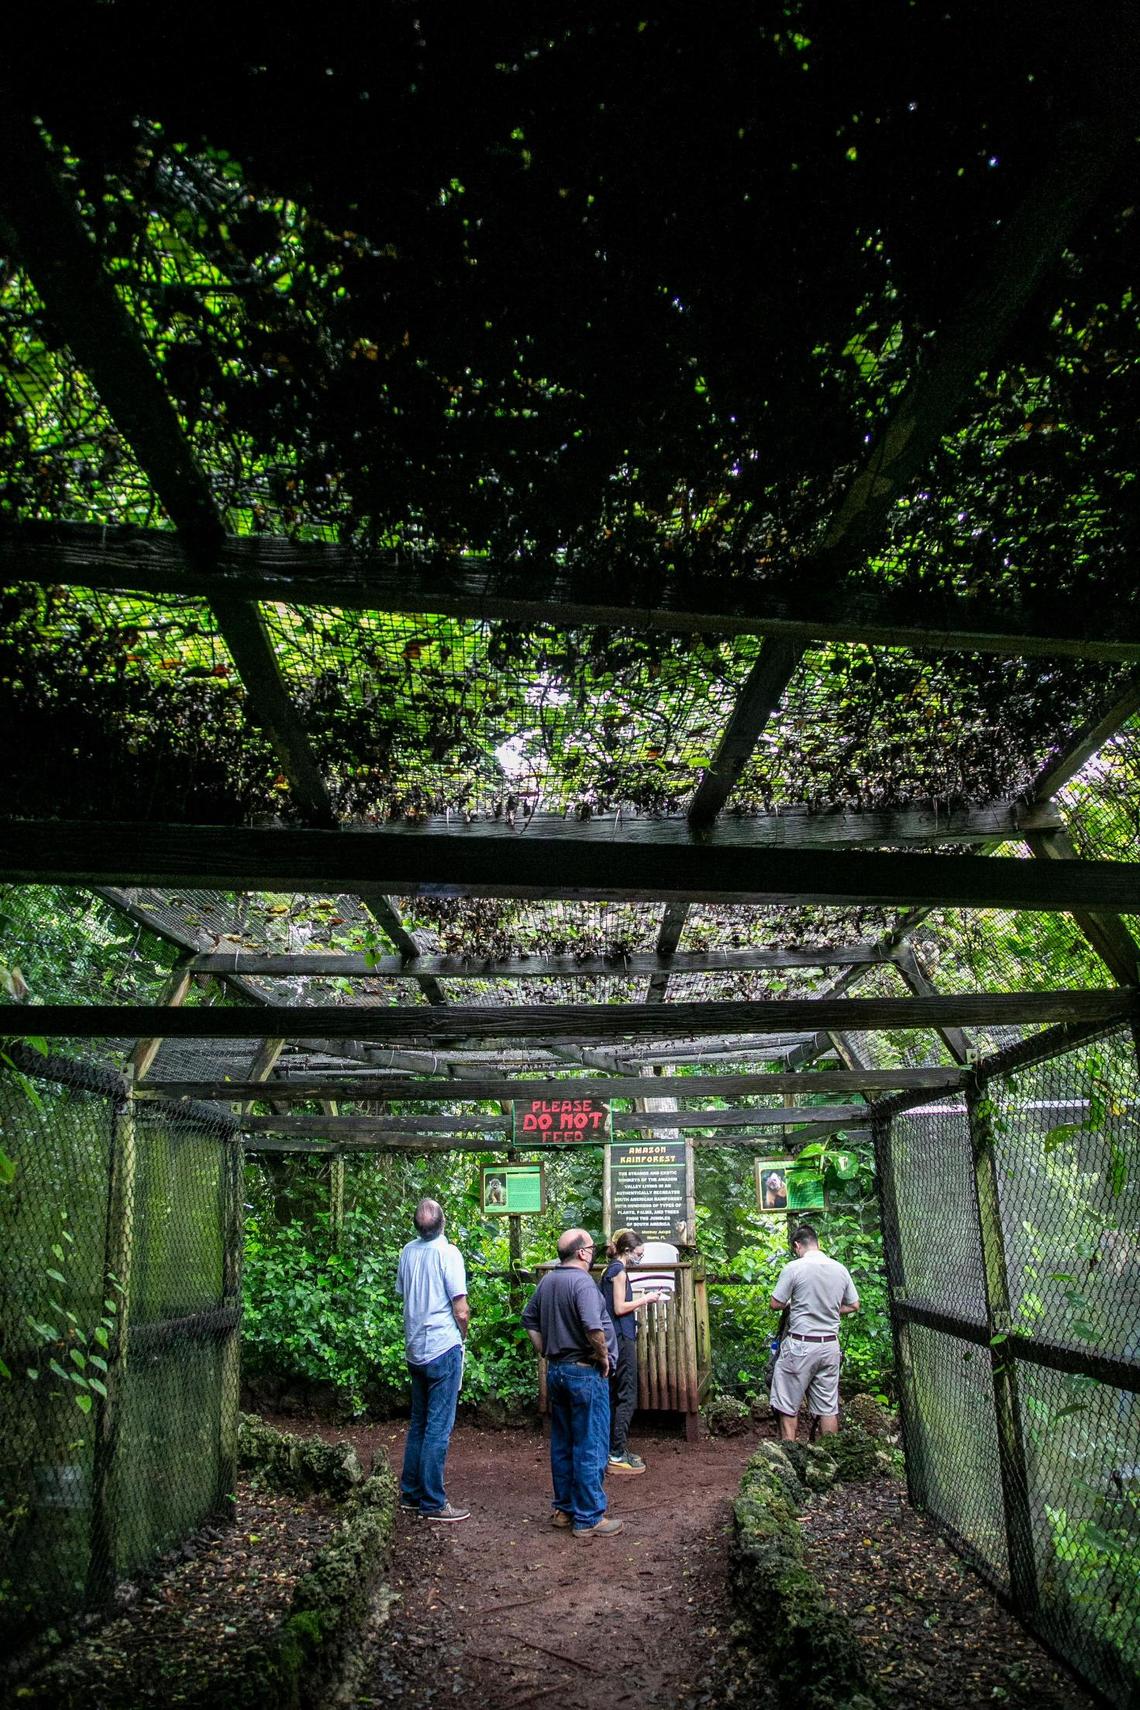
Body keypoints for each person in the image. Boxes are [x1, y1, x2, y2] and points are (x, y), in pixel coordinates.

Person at [521, 1228, 622, 1538]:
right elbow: (594, 1328)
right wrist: (603, 1357)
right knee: (590, 1443)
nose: (594, 1252)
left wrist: (545, 1349)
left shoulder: (547, 1281)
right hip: (585, 1372)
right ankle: (589, 1517)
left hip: (557, 1372)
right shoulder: (583, 1284)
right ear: (581, 1253)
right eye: (591, 1247)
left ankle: (564, 1510)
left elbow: (529, 1320)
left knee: (563, 1443)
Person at [395, 1197, 470, 1521]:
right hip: (442, 1346)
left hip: (415, 1348)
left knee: (419, 1423)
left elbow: (404, 1292)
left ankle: (411, 1494)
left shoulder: (407, 1252)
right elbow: (461, 1307)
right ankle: (433, 1502)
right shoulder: (448, 1253)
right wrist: (462, 1335)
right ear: (443, 1223)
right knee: (438, 1427)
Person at [768, 1223, 859, 1442]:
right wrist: (828, 1309)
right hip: (829, 1346)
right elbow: (854, 1305)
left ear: (797, 1245)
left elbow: (775, 1303)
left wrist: (795, 1304)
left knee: (788, 1404)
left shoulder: (794, 1268)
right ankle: (830, 1458)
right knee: (828, 1407)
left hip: (801, 1345)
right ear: (817, 1243)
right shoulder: (839, 1268)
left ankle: (788, 1457)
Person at [600, 1229, 665, 1474]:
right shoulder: (618, 1271)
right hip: (620, 1337)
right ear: (628, 1250)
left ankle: (612, 1449)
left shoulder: (609, 1269)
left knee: (614, 1394)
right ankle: (616, 1453)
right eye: (639, 1252)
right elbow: (618, 1308)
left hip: (613, 1337)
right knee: (627, 1394)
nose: (641, 1256)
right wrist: (646, 1298)